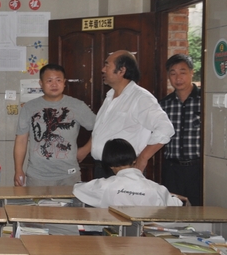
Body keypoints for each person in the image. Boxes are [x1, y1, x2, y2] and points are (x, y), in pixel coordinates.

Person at [90, 50, 174, 178]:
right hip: (102, 169)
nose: (103, 69)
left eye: (107, 65)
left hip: (124, 171)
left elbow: (165, 128)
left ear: (121, 70)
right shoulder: (110, 96)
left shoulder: (140, 97)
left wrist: (143, 158)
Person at [14, 64, 96, 186]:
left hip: (69, 175)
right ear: (41, 83)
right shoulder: (29, 107)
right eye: (49, 81)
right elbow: (21, 140)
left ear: (64, 83)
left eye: (58, 80)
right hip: (37, 176)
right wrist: (18, 169)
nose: (54, 84)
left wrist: (86, 149)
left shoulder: (77, 106)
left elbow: (100, 128)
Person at [73, 138, 184, 208]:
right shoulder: (156, 189)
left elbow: (77, 189)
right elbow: (177, 205)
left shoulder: (103, 186)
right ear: (134, 160)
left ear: (110, 165)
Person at [160, 54, 202, 206]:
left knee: (201, 210)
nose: (178, 78)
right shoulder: (163, 105)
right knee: (173, 211)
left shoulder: (204, 100)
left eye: (182, 72)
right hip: (172, 169)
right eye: (173, 73)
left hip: (199, 168)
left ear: (191, 72)